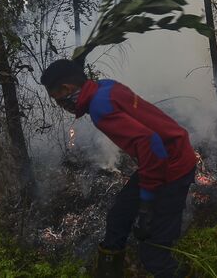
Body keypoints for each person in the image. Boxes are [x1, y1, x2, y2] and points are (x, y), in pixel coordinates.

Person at [41, 59, 197, 278]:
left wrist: (147, 203)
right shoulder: (105, 87)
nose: (61, 106)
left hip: (172, 167)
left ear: (67, 89)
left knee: (154, 255)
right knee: (119, 216)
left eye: (58, 100)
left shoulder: (99, 108)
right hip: (161, 159)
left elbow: (151, 144)